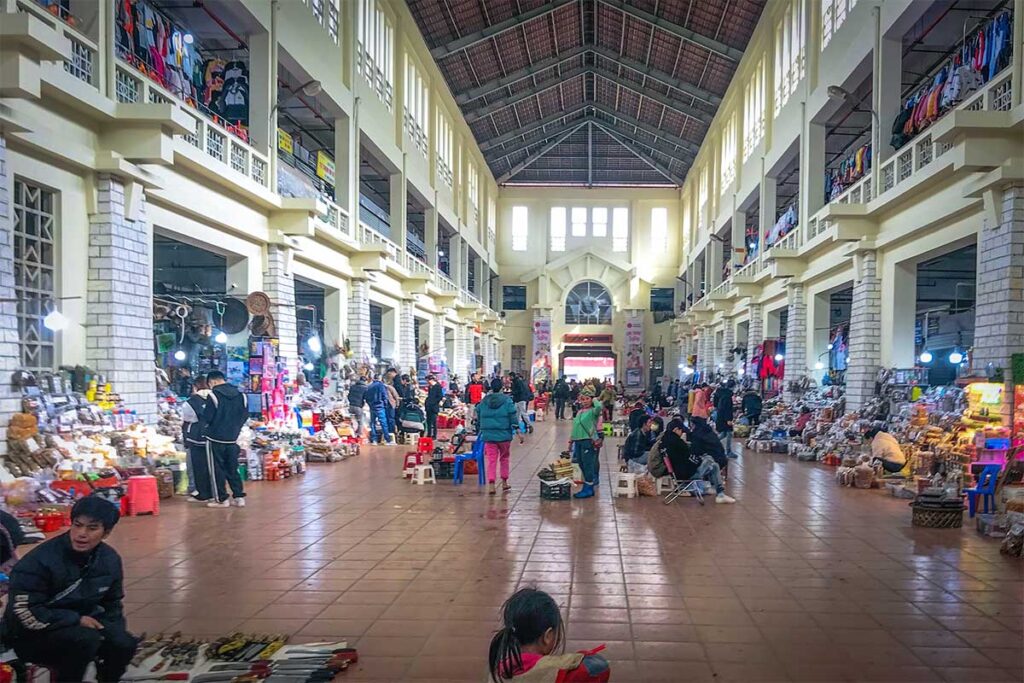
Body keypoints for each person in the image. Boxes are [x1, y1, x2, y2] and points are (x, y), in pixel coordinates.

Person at [1, 497, 138, 682]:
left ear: (106, 533)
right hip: (31, 633)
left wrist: (114, 632)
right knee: (84, 641)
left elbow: (113, 603)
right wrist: (75, 620)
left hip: (82, 624)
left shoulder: (109, 559)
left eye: (92, 528)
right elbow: (24, 612)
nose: (81, 534)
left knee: (124, 643)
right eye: (77, 525)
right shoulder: (39, 561)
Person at [488, 588, 610, 683]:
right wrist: (577, 657)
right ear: (548, 636)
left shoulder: (498, 667)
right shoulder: (552, 671)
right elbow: (599, 666)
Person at [660, 418, 736, 504]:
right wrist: (699, 460)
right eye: (681, 431)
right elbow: (690, 457)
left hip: (677, 473)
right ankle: (720, 494)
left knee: (713, 465)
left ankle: (719, 493)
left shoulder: (664, 441)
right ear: (676, 430)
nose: (682, 433)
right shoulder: (677, 442)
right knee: (709, 459)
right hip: (688, 475)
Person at [202, 370, 248, 508]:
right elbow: (244, 416)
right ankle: (239, 496)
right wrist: (235, 429)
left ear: (212, 382)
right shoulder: (241, 395)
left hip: (215, 438)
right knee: (233, 468)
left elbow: (207, 417)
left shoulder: (213, 395)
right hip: (232, 439)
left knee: (216, 470)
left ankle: (221, 499)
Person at [476, 378, 523, 495]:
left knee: (491, 460)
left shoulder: (484, 401)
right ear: (502, 387)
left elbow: (477, 412)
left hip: (488, 436)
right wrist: (518, 431)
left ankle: (491, 485)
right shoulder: (507, 401)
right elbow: (513, 416)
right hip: (504, 435)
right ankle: (504, 482)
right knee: (504, 458)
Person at [181, 375, 213, 502]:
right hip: (214, 436)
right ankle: (215, 492)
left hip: (196, 437)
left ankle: (201, 492)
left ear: (195, 386)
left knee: (197, 466)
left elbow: (188, 419)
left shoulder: (191, 402)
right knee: (212, 465)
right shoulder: (216, 398)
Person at [570, 395, 604, 499]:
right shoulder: (580, 412)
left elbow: (599, 407)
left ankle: (588, 488)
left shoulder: (594, 412)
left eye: (587, 399)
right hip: (578, 440)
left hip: (588, 441)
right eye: (583, 399)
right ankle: (588, 485)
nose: (584, 401)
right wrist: (571, 440)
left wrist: (594, 399)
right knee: (580, 463)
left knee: (588, 464)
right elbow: (576, 425)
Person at [364, 375, 392, 445]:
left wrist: (370, 404)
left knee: (372, 423)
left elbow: (366, 397)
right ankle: (387, 440)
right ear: (380, 378)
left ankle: (374, 440)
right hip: (380, 407)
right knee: (383, 423)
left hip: (372, 407)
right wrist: (385, 405)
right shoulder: (381, 385)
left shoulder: (369, 386)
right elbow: (384, 396)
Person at [715, 380, 736, 457]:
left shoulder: (723, 394)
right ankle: (728, 451)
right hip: (725, 418)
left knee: (723, 434)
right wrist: (728, 420)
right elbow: (727, 408)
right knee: (729, 434)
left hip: (721, 416)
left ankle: (712, 443)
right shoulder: (727, 396)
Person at [424, 374, 443, 439]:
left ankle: (434, 435)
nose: (428, 382)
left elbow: (440, 396)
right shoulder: (430, 387)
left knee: (434, 422)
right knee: (428, 421)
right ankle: (429, 434)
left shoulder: (438, 387)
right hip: (428, 407)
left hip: (434, 407)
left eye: (428, 381)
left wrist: (434, 402)